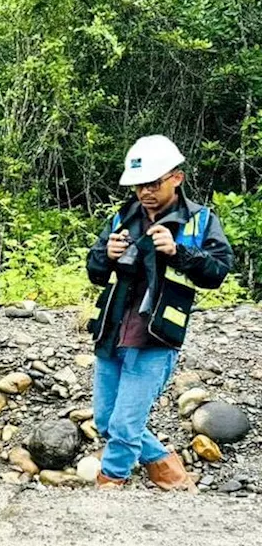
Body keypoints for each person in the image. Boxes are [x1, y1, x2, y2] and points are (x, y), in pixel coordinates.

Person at [85, 135, 233, 490]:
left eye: (152, 183)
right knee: (106, 420)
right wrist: (107, 254)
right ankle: (165, 466)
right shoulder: (122, 217)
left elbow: (218, 271)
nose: (144, 192)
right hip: (114, 325)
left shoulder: (200, 220)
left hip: (158, 334)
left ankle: (110, 484)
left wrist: (179, 252)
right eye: (139, 185)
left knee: (124, 424)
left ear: (176, 178)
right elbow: (94, 271)